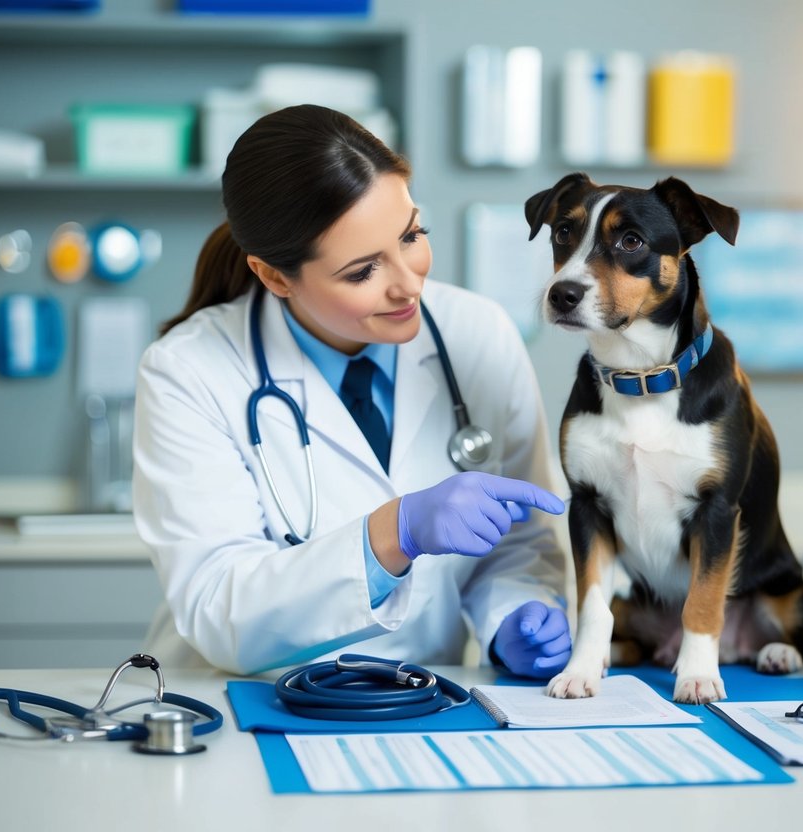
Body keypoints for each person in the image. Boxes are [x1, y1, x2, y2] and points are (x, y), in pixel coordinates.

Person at [132, 105, 572, 679]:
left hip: (416, 704)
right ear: (275, 276)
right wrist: (396, 532)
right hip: (242, 711)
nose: (410, 284)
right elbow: (218, 608)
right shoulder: (188, 370)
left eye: (412, 235)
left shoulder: (478, 333)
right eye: (363, 271)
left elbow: (516, 544)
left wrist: (514, 615)